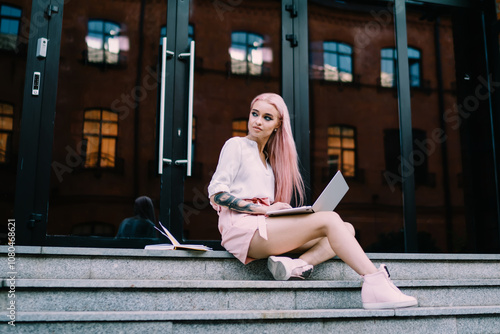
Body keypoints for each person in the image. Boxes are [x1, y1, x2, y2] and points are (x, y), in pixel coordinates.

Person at [208, 93, 418, 310]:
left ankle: (294, 266)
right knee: (331, 221)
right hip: (242, 230)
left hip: (261, 227)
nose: (258, 121)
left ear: (278, 125)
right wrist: (267, 209)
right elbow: (217, 194)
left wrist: (281, 213)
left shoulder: (269, 162)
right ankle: (375, 281)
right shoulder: (236, 145)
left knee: (346, 228)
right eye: (255, 114)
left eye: (267, 117)